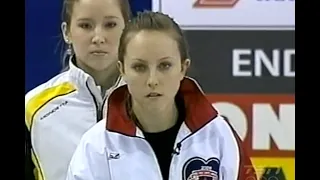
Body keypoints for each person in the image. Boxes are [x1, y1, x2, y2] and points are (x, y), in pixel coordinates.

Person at [66, 11, 258, 180]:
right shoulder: (97, 146)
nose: (152, 80)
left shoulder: (218, 136)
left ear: (183, 68)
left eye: (164, 66)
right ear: (122, 69)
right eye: (139, 67)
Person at [24, 0, 132, 180]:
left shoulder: (150, 100)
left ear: (127, 29)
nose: (98, 37)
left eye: (110, 25)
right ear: (67, 32)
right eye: (85, 25)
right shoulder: (33, 108)